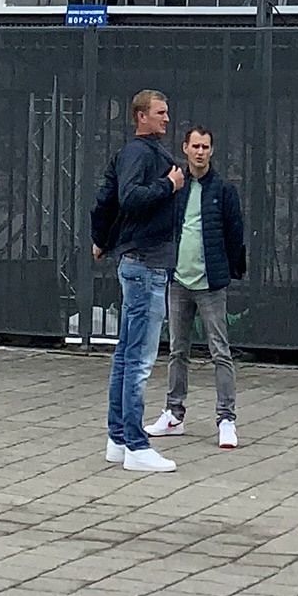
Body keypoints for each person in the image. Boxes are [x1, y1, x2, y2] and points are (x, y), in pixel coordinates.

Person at [146, 126, 255, 451]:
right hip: (178, 281)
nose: (200, 152)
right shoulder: (176, 187)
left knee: (219, 351)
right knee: (177, 350)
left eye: (206, 146)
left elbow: (235, 234)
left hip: (210, 283)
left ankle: (226, 419)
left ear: (212, 151)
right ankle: (174, 413)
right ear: (185, 148)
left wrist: (229, 270)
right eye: (195, 146)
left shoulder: (223, 189)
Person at [91, 89, 182, 470]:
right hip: (146, 264)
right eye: (159, 112)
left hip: (140, 261)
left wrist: (103, 239)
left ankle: (118, 439)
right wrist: (170, 186)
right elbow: (128, 197)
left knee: (126, 356)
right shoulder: (141, 154)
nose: (166, 118)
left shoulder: (138, 155)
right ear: (140, 116)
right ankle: (136, 445)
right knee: (139, 360)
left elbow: (106, 200)